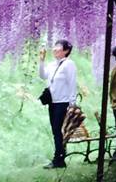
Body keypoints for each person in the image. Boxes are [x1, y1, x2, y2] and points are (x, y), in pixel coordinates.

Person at [38, 39, 78, 169]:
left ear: (66, 51)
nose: (54, 49)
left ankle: (58, 158)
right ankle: (60, 158)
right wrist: (41, 61)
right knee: (56, 130)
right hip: (53, 102)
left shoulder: (69, 64)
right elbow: (43, 76)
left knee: (57, 129)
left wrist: (72, 103)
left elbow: (72, 83)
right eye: (54, 47)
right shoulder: (52, 64)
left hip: (63, 102)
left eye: (58, 47)